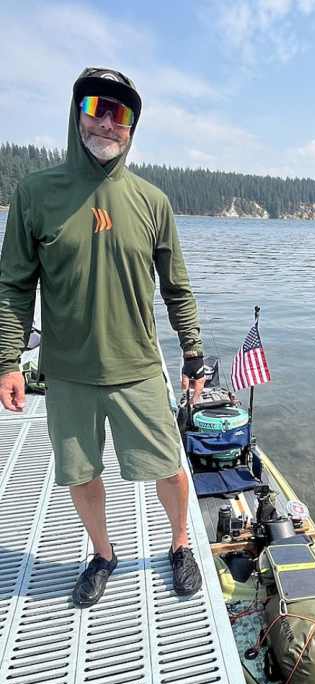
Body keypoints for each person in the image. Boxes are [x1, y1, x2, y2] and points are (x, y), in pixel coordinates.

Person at [0, 67, 206, 607]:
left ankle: (180, 543)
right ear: (77, 112)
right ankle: (104, 554)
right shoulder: (35, 194)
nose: (109, 124)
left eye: (122, 114)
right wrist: (7, 361)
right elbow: (14, 285)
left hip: (137, 368)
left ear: (133, 127)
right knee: (80, 473)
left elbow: (177, 286)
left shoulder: (152, 202)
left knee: (170, 466)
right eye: (99, 107)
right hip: (66, 372)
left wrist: (192, 352)